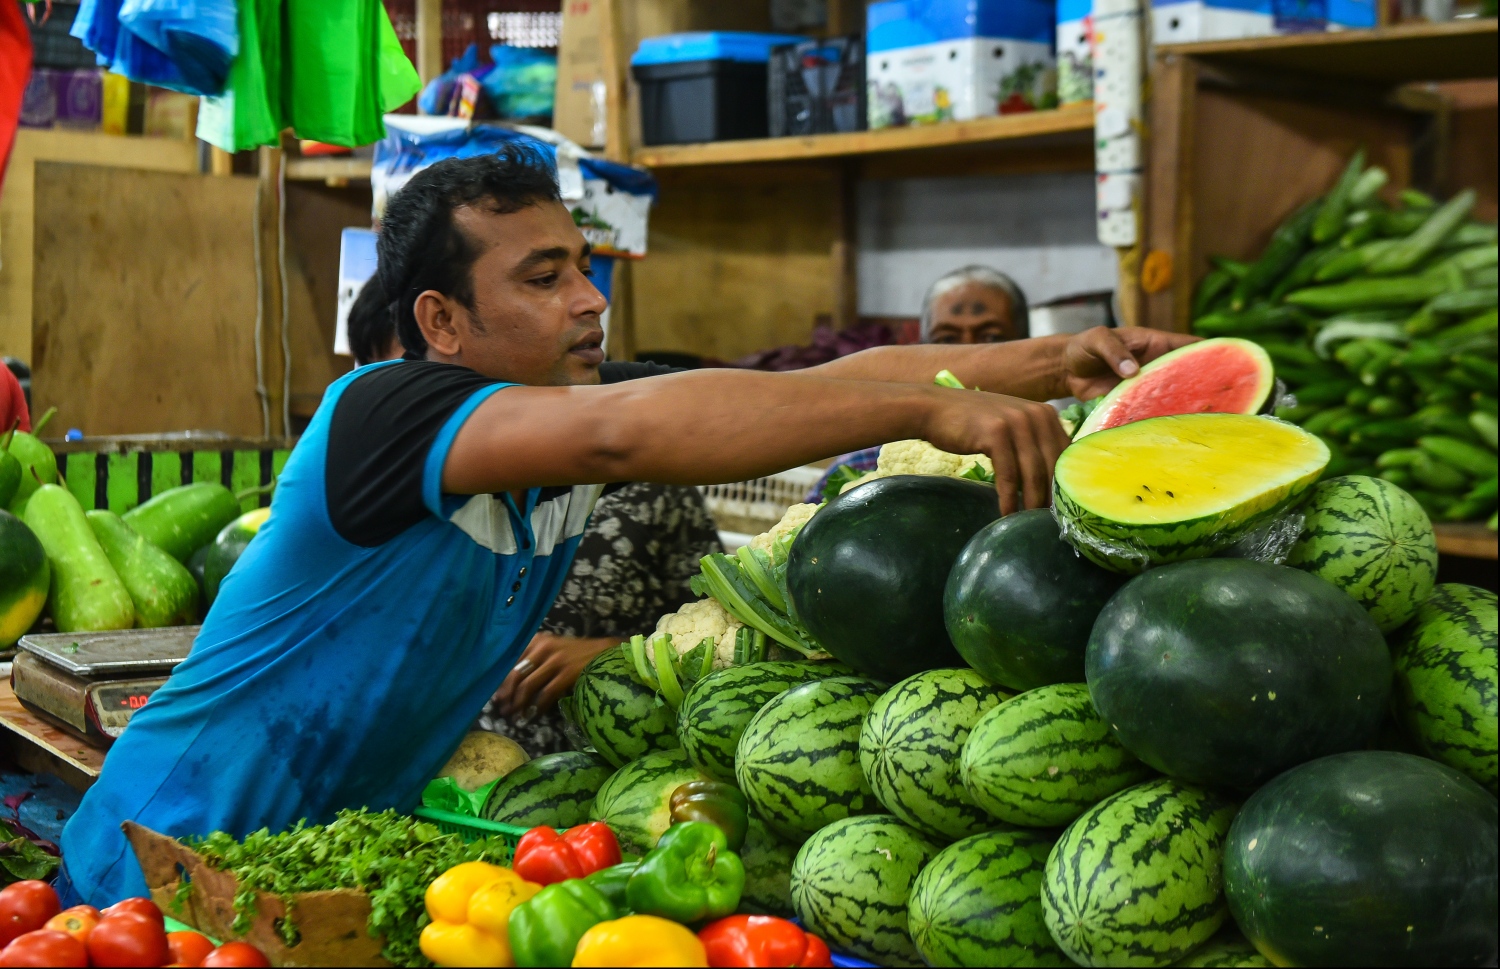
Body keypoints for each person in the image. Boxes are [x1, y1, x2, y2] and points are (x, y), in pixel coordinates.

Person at [58, 145, 1192, 906]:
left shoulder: (560, 412)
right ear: (440, 319)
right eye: (546, 277)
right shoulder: (386, 413)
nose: (590, 300)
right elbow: (630, 434)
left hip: (330, 867)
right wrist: (933, 414)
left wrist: (1051, 361)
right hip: (165, 855)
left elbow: (824, 379)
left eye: (586, 269)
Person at [343, 227, 723, 752]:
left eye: (582, 273)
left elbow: (719, 633)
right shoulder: (383, 498)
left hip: (613, 770)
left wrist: (617, 654)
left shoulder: (633, 469)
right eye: (411, 384)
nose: (594, 300)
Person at [810, 264, 1032, 497]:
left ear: (1027, 347)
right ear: (921, 353)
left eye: (991, 337)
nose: (968, 352)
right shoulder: (865, 464)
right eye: (947, 339)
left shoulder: (1059, 451)